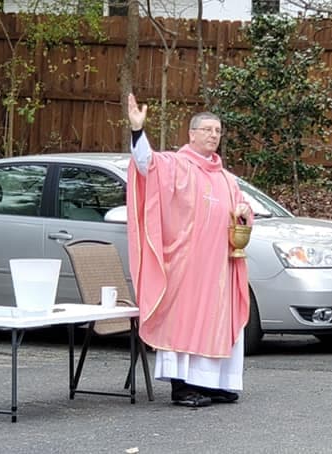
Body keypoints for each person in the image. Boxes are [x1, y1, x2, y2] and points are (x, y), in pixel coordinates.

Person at [124, 93, 252, 408]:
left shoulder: (224, 176)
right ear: (191, 134)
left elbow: (242, 207)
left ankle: (212, 384)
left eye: (218, 131)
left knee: (216, 322)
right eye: (207, 129)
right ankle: (182, 387)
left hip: (219, 269)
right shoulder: (176, 165)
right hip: (185, 267)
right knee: (185, 322)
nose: (213, 135)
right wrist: (138, 131)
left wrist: (244, 211)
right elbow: (145, 164)